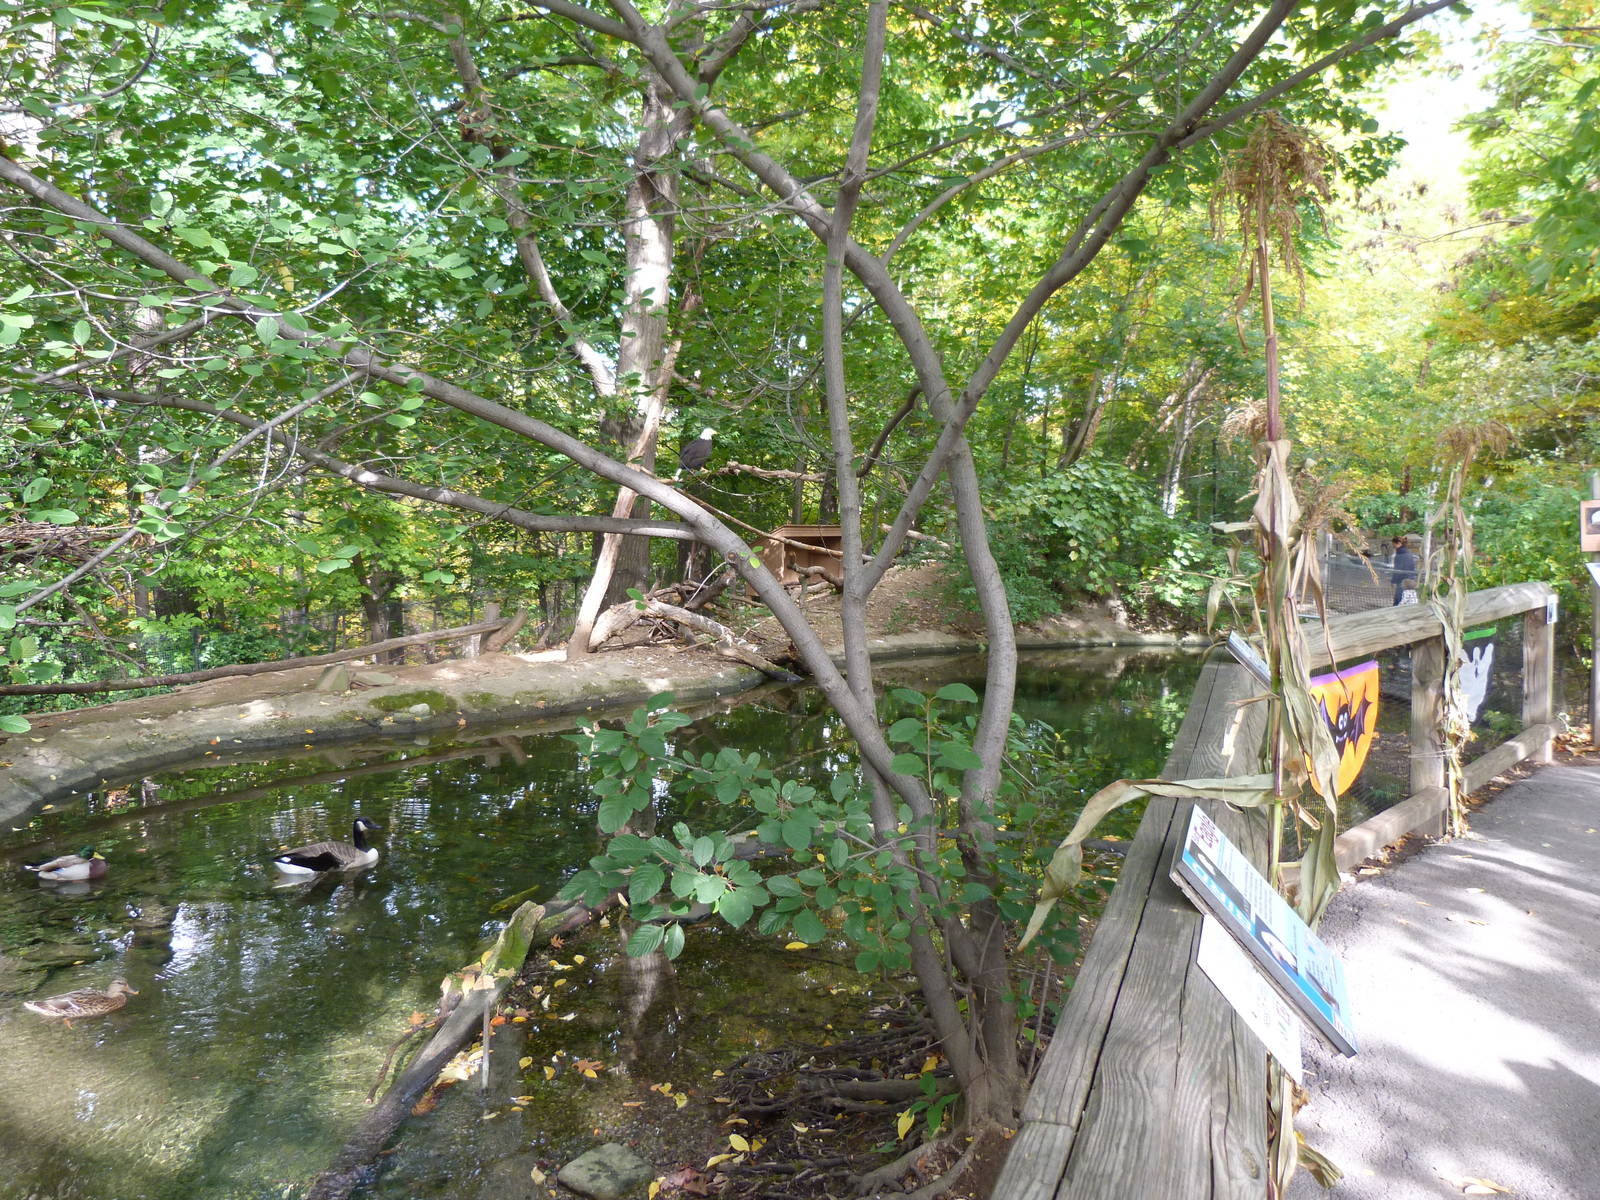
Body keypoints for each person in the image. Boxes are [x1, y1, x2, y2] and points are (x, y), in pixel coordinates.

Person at [1390, 535, 1417, 605]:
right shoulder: (1409, 553)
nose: (1393, 546)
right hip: (1410, 579)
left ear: (1398, 543)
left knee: (1400, 599)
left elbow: (1397, 569)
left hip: (1402, 581)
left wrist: (1393, 581)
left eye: (1394, 544)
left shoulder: (1400, 555)